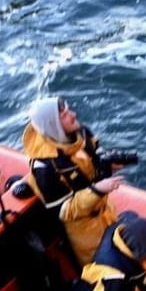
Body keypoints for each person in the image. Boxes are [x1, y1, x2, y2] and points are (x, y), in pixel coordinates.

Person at [21, 94, 135, 265]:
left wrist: (106, 164)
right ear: (54, 125)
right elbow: (64, 211)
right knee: (105, 267)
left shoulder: (81, 133)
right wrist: (97, 190)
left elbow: (94, 153)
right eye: (64, 115)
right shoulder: (44, 167)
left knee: (126, 255)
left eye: (68, 109)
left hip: (105, 211)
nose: (73, 114)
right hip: (83, 230)